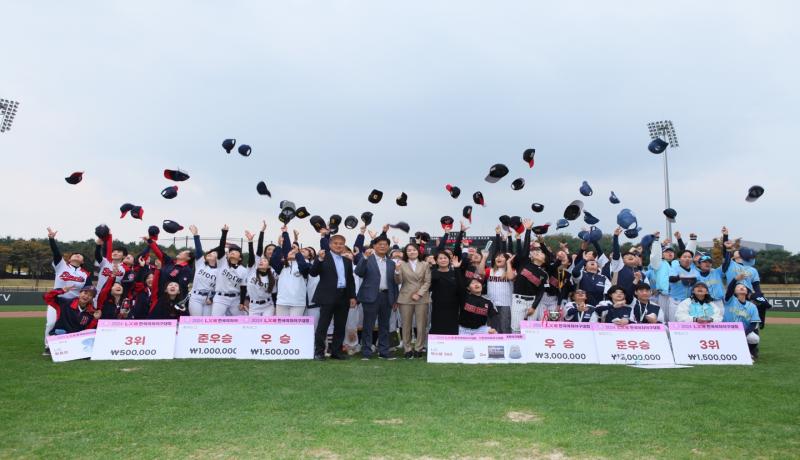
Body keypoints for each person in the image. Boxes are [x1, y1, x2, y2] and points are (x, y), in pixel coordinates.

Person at [310, 233, 357, 360]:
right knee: (323, 325)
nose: (338, 246)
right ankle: (319, 352)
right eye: (335, 243)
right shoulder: (323, 257)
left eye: (341, 244)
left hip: (343, 296)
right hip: (327, 296)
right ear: (330, 245)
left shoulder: (347, 261)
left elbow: (350, 281)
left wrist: (352, 297)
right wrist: (319, 259)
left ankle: (336, 352)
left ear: (344, 245)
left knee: (340, 325)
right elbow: (313, 273)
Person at [44, 227, 91, 352]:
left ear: (83, 261)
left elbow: (88, 289)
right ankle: (48, 346)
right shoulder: (61, 266)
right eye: (74, 254)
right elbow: (56, 253)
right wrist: (52, 239)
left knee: (72, 326)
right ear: (69, 259)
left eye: (80, 255)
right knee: (51, 323)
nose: (77, 255)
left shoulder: (85, 274)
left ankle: (70, 347)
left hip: (74, 304)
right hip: (57, 300)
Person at [355, 234, 399, 359]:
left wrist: (395, 299)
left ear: (388, 247)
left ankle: (384, 352)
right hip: (370, 297)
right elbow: (358, 272)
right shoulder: (368, 259)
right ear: (374, 246)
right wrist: (364, 257)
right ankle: (366, 352)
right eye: (379, 244)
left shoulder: (391, 263)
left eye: (385, 245)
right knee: (368, 325)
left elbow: (394, 283)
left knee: (384, 326)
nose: (382, 246)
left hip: (387, 296)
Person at [393, 241, 430, 358]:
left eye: (414, 250)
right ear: (406, 252)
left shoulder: (424, 264)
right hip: (405, 297)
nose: (411, 252)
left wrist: (419, 294)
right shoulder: (401, 264)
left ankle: (419, 348)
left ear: (418, 251)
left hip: (422, 297)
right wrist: (397, 271)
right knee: (406, 325)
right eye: (409, 250)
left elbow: (427, 281)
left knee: (421, 324)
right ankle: (407, 348)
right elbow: (398, 281)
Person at [510, 220, 547, 332]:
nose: (537, 252)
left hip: (532, 302)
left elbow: (541, 292)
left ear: (544, 260)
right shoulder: (524, 263)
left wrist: (534, 306)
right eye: (536, 252)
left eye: (540, 253)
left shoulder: (543, 274)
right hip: (518, 301)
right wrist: (528, 230)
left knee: (531, 331)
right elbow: (525, 249)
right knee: (516, 329)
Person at [210, 225, 250, 316]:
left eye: (235, 252)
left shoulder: (243, 270)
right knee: (215, 321)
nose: (232, 252)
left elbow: (243, 288)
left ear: (240, 258)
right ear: (227, 255)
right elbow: (221, 247)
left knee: (240, 322)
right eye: (230, 251)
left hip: (236, 299)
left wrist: (242, 302)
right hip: (220, 298)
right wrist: (224, 233)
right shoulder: (222, 262)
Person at [272, 226, 311, 316]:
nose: (292, 252)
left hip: (298, 303)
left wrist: (297, 253)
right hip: (282, 302)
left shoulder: (305, 264)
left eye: (295, 252)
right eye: (290, 251)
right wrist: (279, 244)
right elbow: (273, 260)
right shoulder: (282, 266)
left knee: (295, 327)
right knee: (282, 327)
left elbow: (304, 268)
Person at [723, 275, 762, 359]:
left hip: (743, 331)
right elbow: (729, 290)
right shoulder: (730, 300)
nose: (742, 287)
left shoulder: (752, 306)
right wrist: (735, 279)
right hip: (727, 330)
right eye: (738, 287)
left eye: (744, 287)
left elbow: (753, 323)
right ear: (734, 291)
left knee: (754, 338)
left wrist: (744, 333)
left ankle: (749, 352)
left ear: (747, 291)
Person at [486, 227, 515, 333]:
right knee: (492, 329)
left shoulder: (510, 271)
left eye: (502, 257)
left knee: (504, 328)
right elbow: (496, 251)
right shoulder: (490, 270)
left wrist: (508, 263)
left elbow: (511, 277)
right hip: (491, 303)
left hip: (506, 304)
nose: (498, 258)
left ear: (507, 260)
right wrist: (497, 235)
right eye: (497, 257)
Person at [187, 225, 218, 316]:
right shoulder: (201, 264)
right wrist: (196, 235)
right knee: (196, 322)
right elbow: (199, 251)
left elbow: (220, 288)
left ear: (217, 259)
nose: (210, 254)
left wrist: (212, 299)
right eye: (209, 253)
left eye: (213, 253)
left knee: (206, 324)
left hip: (208, 299)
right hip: (195, 297)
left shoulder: (219, 271)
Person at [429, 251, 462, 335]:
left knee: (452, 327)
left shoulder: (454, 272)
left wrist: (457, 268)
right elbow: (431, 285)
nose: (443, 260)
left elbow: (461, 287)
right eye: (440, 258)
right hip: (438, 305)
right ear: (436, 261)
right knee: (437, 326)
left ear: (449, 260)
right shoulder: (433, 272)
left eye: (445, 258)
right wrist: (433, 266)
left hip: (453, 306)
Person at [246, 228, 277, 316]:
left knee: (266, 328)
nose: (261, 261)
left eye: (264, 261)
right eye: (261, 260)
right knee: (254, 328)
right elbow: (255, 253)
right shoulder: (252, 270)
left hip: (268, 305)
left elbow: (274, 293)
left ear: (269, 266)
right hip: (253, 305)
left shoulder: (272, 275)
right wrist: (250, 241)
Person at [458, 267, 497, 335]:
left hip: (480, 329)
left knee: (494, 333)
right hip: (464, 329)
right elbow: (459, 284)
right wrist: (457, 268)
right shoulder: (464, 297)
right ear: (468, 288)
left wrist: (493, 328)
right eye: (473, 283)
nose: (476, 284)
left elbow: (494, 317)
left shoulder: (488, 301)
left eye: (478, 283)